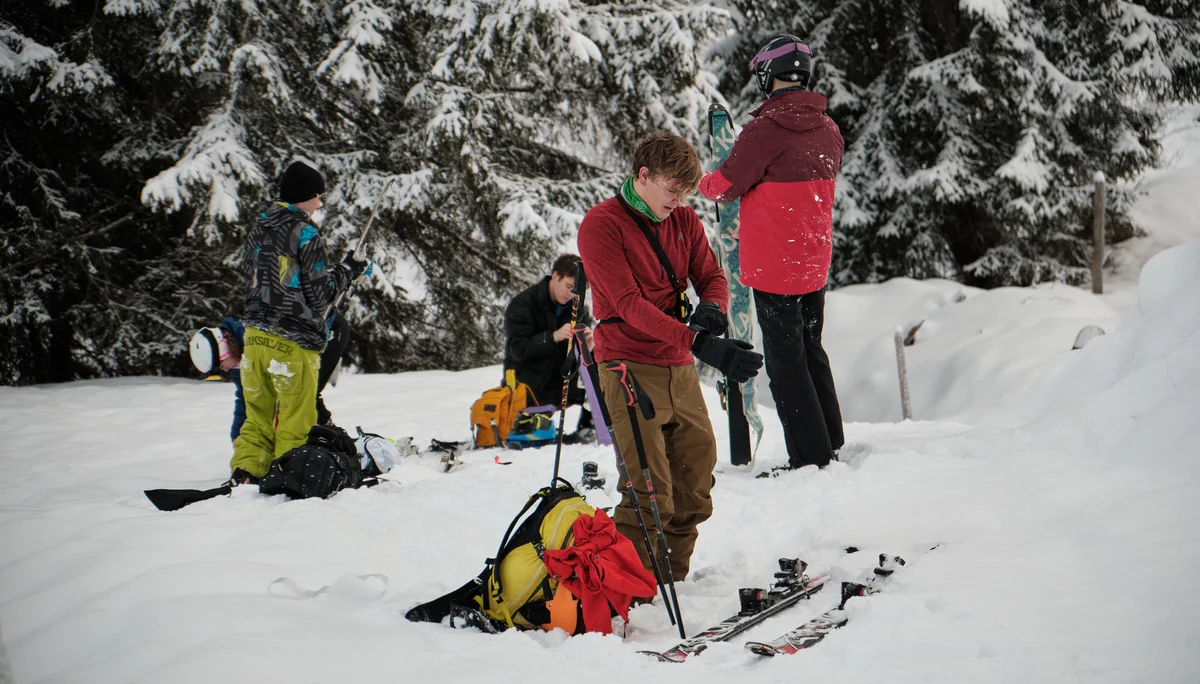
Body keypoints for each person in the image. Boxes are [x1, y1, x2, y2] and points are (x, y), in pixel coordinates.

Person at [578, 132, 763, 581]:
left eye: (686, 192)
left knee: (695, 482)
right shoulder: (602, 224)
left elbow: (711, 275)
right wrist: (700, 344)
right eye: (672, 189)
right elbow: (628, 304)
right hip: (627, 364)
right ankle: (629, 591)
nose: (679, 201)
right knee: (648, 490)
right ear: (643, 176)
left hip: (677, 365)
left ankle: (669, 578)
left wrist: (711, 310)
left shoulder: (683, 220)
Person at [699, 34, 845, 476]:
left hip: (773, 268)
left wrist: (701, 183)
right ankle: (830, 439)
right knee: (810, 347)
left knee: (785, 365)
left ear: (768, 74)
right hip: (813, 262)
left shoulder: (765, 130)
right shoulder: (829, 128)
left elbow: (727, 184)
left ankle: (810, 458)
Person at [228, 161, 369, 483]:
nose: (319, 203)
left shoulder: (258, 228)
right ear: (303, 196)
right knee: (294, 418)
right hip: (291, 343)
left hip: (255, 339)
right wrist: (348, 270)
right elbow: (320, 295)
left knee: (257, 416)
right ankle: (289, 477)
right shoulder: (305, 232)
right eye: (317, 196)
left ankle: (246, 470)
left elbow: (270, 281)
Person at [188, 311, 353, 441]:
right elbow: (247, 397)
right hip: (309, 346)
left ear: (223, 348)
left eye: (219, 366)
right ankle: (324, 438)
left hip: (330, 331)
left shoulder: (256, 339)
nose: (223, 370)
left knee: (303, 394)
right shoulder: (238, 358)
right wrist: (238, 435)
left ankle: (333, 439)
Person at [503, 254, 596, 440]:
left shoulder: (576, 307)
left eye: (576, 291)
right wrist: (552, 337)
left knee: (601, 368)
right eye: (569, 287)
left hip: (561, 379)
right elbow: (517, 348)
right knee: (535, 433)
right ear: (555, 276)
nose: (571, 295)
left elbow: (583, 347)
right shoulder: (524, 303)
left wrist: (589, 345)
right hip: (529, 383)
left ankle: (589, 427)